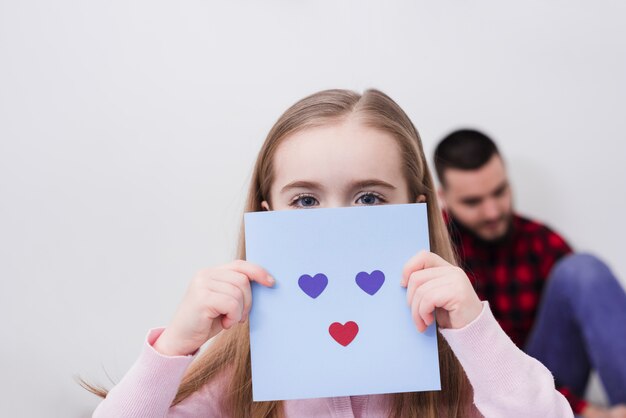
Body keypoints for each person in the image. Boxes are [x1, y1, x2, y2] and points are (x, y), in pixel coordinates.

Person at [84, 90, 572, 417]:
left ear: (416, 210)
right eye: (305, 200)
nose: (336, 224)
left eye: (369, 198)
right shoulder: (241, 371)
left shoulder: (458, 364)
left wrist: (476, 333)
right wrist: (173, 347)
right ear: (268, 213)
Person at [433, 129, 626, 418]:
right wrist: (588, 411)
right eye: (473, 202)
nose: (492, 211)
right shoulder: (432, 253)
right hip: (469, 396)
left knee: (584, 272)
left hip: (542, 386)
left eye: (499, 192)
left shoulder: (542, 243)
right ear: (443, 198)